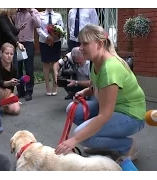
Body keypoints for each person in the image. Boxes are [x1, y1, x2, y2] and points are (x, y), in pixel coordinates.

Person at [55, 24, 146, 162]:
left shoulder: (110, 68)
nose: (80, 47)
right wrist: (85, 92)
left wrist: (74, 140)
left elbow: (105, 115)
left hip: (132, 116)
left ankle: (127, 145)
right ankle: (102, 142)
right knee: (73, 110)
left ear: (99, 44)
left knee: (82, 135)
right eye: (80, 43)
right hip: (115, 109)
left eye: (85, 43)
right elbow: (96, 85)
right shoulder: (96, 62)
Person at [15, 8, 41, 101]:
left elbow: (38, 24)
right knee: (18, 68)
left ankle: (29, 91)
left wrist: (31, 12)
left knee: (29, 68)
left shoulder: (33, 11)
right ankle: (20, 90)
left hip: (28, 43)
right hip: (17, 43)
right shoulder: (16, 12)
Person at [37, 8, 64, 96]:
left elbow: (61, 28)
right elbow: (38, 28)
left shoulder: (58, 15)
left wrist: (55, 37)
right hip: (44, 42)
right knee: (46, 63)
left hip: (56, 42)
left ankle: (55, 85)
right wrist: (48, 37)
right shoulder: (40, 15)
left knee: (55, 63)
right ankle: (47, 86)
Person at [0, 43, 21, 115]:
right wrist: (9, 82)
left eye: (11, 54)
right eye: (7, 53)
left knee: (16, 111)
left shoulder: (14, 67)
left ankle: (3, 105)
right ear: (1, 53)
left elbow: (11, 88)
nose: (9, 56)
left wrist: (14, 83)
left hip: (8, 91)